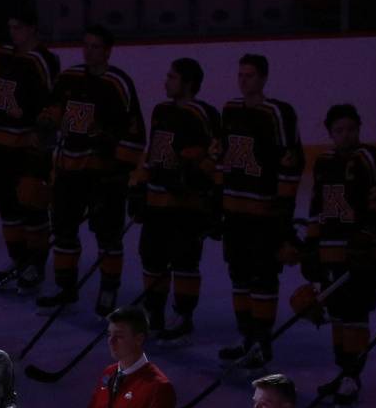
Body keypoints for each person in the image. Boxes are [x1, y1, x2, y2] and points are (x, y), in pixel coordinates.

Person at [36, 25, 144, 313]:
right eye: (85, 45)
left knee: (108, 236)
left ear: (108, 51)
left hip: (103, 178)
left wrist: (118, 170)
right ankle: (65, 287)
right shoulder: (69, 77)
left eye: (95, 47)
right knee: (63, 231)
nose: (88, 52)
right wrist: (47, 121)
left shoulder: (118, 84)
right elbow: (52, 111)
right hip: (68, 172)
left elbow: (134, 133)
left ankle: (109, 289)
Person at [296, 104, 376, 406]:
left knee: (355, 313)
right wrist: (312, 245)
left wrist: (366, 238)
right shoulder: (325, 162)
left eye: (351, 129)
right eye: (339, 130)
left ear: (359, 128)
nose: (346, 135)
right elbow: (317, 206)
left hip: (364, 256)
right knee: (338, 313)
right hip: (332, 252)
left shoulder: (373, 158)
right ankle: (344, 372)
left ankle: (353, 376)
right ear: (330, 133)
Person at [214, 54, 306, 367]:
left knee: (262, 277)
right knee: (238, 275)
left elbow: (291, 161)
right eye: (240, 75)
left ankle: (262, 343)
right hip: (234, 212)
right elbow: (222, 155)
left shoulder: (277, 113)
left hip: (263, 213)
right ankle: (246, 337)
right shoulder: (230, 109)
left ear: (264, 78)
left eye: (250, 75)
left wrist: (283, 214)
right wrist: (216, 201)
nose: (244, 81)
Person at [131, 57, 221, 336]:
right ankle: (154, 311)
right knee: (151, 257)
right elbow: (154, 151)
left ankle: (183, 316)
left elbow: (215, 153)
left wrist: (201, 180)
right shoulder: (161, 110)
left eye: (172, 77)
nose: (166, 81)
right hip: (156, 201)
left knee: (184, 261)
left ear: (188, 83)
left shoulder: (203, 114)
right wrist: (140, 185)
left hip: (186, 206)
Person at [0, 11, 62, 295]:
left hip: (29, 146)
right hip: (2, 144)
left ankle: (35, 265)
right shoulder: (3, 55)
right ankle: (18, 260)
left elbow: (53, 103)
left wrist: (41, 132)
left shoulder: (43, 61)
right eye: (10, 27)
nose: (12, 32)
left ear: (32, 29)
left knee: (32, 203)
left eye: (18, 27)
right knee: (6, 204)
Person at [32, 307, 176, 408]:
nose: (111, 341)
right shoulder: (109, 373)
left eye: (119, 336)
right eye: (109, 335)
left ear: (139, 339)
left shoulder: (158, 387)